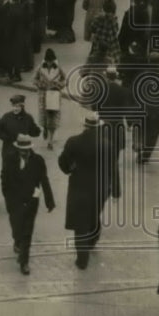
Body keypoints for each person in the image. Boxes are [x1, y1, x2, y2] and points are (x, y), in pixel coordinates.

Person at [58, 112, 111, 269]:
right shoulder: (106, 144)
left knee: (80, 223)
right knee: (94, 215)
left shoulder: (73, 142)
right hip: (99, 188)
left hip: (79, 187)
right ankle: (93, 241)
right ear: (98, 127)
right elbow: (111, 169)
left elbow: (63, 162)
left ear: (85, 125)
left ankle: (82, 260)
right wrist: (114, 189)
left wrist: (69, 169)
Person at [0, 134, 55, 275]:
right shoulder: (9, 159)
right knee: (17, 227)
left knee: (27, 231)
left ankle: (24, 261)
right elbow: (4, 178)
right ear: (17, 148)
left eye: (27, 150)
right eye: (21, 150)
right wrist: (7, 196)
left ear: (30, 148)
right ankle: (17, 240)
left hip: (31, 200)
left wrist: (49, 200)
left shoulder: (38, 161)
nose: (24, 153)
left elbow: (44, 180)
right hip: (14, 200)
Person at [33, 48, 66, 149]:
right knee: (44, 116)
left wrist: (59, 85)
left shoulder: (58, 68)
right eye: (48, 61)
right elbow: (34, 79)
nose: (49, 63)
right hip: (43, 95)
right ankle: (45, 128)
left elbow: (64, 79)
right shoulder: (40, 68)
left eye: (51, 61)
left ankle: (50, 141)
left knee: (53, 117)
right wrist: (40, 84)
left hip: (54, 95)